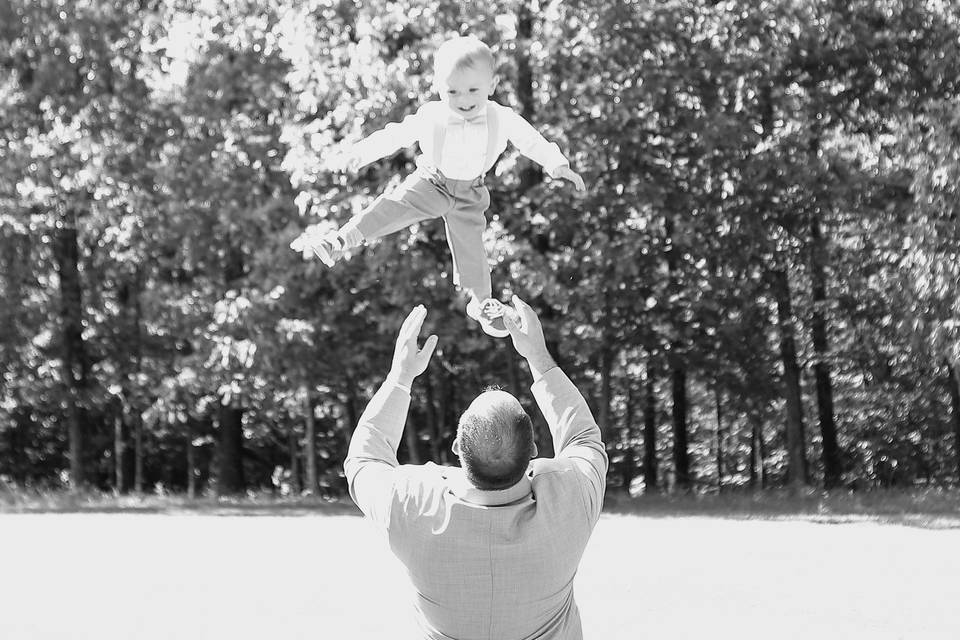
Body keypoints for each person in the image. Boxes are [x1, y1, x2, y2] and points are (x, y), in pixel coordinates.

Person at [344, 296, 607, 640]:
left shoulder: (411, 505)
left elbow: (365, 459)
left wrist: (400, 377)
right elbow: (584, 437)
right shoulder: (570, 501)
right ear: (534, 453)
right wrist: (538, 357)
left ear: (457, 449)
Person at [290, 35, 585, 337]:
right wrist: (360, 153)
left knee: (472, 246)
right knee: (396, 205)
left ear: (492, 85)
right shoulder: (433, 115)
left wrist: (556, 163)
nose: (464, 99)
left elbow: (531, 140)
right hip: (434, 182)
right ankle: (341, 240)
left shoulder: (502, 117)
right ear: (438, 86)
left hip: (472, 192)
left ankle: (481, 303)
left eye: (473, 90)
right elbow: (396, 135)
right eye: (452, 91)